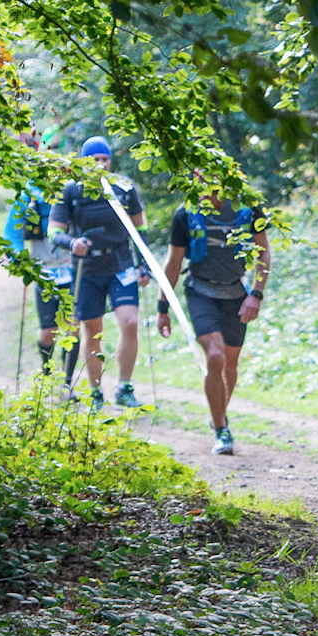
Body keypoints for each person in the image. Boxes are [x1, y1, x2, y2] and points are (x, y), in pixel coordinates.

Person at [158, 178, 272, 455]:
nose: (207, 187)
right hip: (200, 292)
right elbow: (173, 262)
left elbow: (263, 252)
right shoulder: (186, 213)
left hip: (236, 293)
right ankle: (222, 430)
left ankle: (218, 414)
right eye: (199, 180)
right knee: (215, 356)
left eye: (212, 180)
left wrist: (255, 295)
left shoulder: (248, 208)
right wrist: (163, 307)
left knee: (230, 365)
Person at [47, 136, 150, 409]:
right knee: (92, 329)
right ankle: (96, 392)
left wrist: (145, 265)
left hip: (120, 265)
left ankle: (124, 387)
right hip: (86, 268)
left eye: (104, 159)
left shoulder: (124, 188)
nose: (100, 165)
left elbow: (140, 230)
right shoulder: (70, 190)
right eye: (94, 160)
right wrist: (72, 243)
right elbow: (54, 231)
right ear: (84, 162)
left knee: (129, 322)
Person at [3, 133, 70, 374]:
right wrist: (20, 262)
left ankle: (68, 381)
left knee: (73, 327)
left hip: (72, 267)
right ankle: (48, 372)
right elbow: (11, 233)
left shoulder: (69, 189)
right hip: (44, 269)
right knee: (48, 331)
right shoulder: (28, 194)